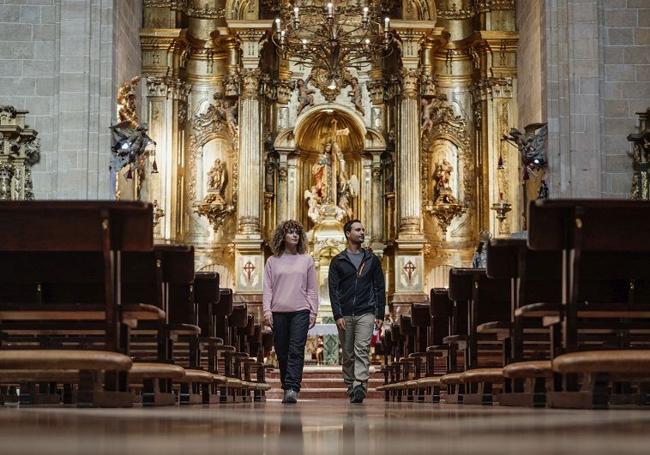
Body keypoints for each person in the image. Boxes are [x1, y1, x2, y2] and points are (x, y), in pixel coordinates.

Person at [329, 219, 385, 403]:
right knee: (347, 352)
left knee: (361, 349)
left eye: (363, 229)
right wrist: (337, 314)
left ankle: (360, 384)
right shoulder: (338, 261)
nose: (362, 232)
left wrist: (379, 314)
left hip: (366, 311)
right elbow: (333, 290)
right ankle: (350, 384)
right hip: (345, 313)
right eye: (358, 230)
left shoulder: (372, 260)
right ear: (348, 233)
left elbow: (379, 287)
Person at [263, 220, 319, 404]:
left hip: (301, 311)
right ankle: (286, 385)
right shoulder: (272, 261)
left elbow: (312, 288)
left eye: (297, 232)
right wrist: (267, 311)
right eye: (290, 232)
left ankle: (293, 388)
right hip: (278, 311)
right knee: (282, 351)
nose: (294, 235)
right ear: (282, 236)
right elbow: (268, 288)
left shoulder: (307, 260)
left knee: (296, 350)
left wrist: (313, 312)